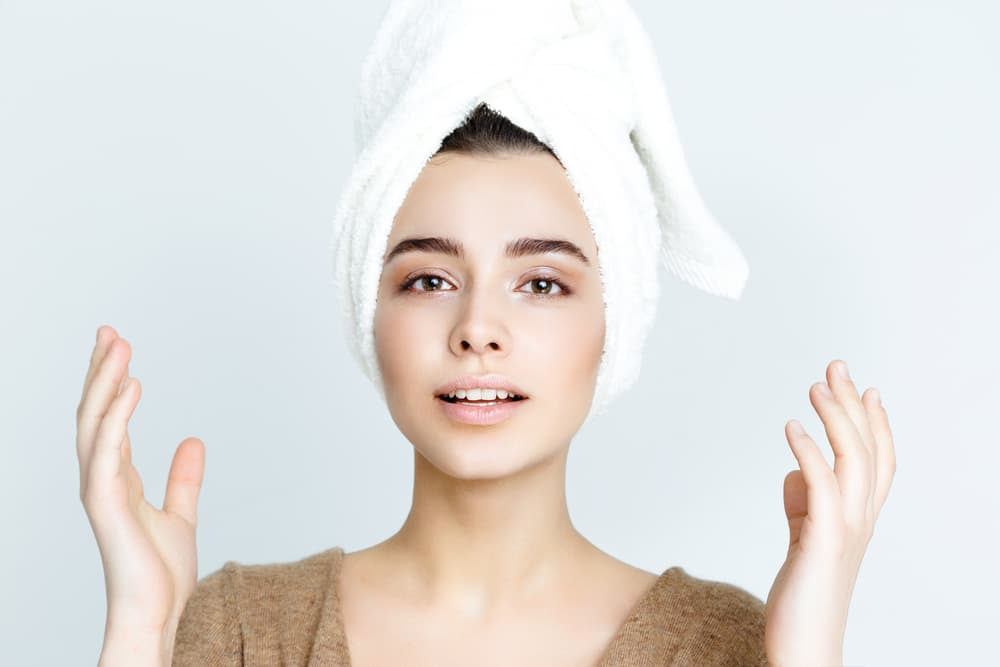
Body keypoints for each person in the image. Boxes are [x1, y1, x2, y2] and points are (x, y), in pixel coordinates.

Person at [79, 103, 896, 667]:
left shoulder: (723, 646)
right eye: (429, 279)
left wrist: (810, 655)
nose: (477, 327)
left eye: (540, 283)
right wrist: (141, 632)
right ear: (369, 313)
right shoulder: (241, 632)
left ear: (615, 324)